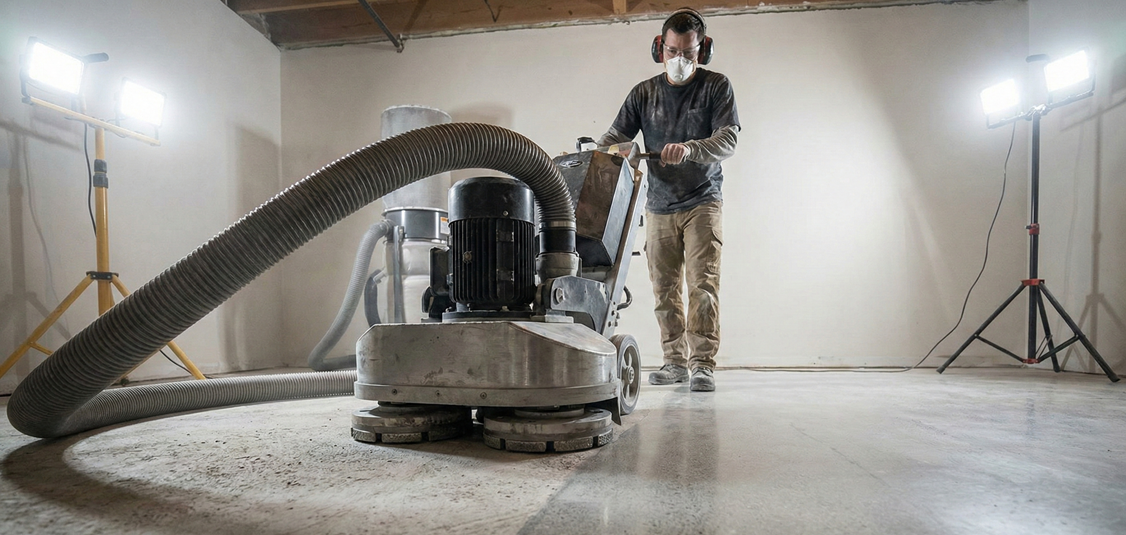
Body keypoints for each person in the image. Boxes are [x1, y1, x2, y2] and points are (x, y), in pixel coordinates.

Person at [597, 7, 740, 392]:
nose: (680, 60)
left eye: (689, 53)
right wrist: (622, 149)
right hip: (659, 204)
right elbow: (607, 142)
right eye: (673, 51)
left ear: (703, 50)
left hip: (702, 202)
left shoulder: (716, 86)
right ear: (659, 48)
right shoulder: (643, 94)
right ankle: (674, 362)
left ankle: (702, 365)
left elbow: (728, 140)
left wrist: (691, 149)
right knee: (664, 289)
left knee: (702, 286)